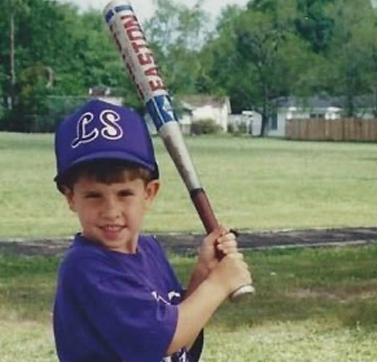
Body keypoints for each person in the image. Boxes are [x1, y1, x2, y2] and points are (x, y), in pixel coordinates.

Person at [52, 99, 252, 362]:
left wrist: (203, 273)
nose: (111, 210)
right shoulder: (87, 268)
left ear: (149, 193)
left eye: (124, 194)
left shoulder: (149, 250)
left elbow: (180, 340)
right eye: (93, 196)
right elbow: (165, 340)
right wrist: (218, 284)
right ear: (70, 198)